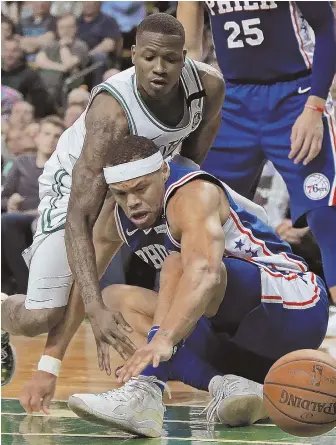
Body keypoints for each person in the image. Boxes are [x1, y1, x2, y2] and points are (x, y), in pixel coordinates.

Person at [1, 13, 224, 405]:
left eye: (170, 59)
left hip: (143, 178)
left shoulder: (208, 87)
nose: (159, 68)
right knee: (43, 315)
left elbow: (189, 165)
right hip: (76, 187)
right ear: (133, 54)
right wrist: (95, 305)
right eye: (150, 57)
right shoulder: (112, 111)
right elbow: (79, 218)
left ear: (184, 57)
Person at [67, 135, 329, 437]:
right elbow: (80, 282)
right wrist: (50, 365)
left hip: (294, 306)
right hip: (233, 338)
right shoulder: (115, 219)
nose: (133, 202)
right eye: (122, 194)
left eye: (141, 188)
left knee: (178, 265)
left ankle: (146, 390)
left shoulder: (192, 193)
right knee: (112, 302)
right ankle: (229, 384)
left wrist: (164, 337)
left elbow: (204, 271)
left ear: (164, 172)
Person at [176, 2, 336, 310]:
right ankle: (193, 329)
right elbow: (190, 49)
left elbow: (327, 27)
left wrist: (315, 107)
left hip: (296, 96)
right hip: (232, 99)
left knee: (326, 217)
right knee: (200, 208)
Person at [1, 116, 65, 296]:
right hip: (16, 217)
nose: (51, 139)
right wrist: (10, 201)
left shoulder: (63, 169)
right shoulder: (21, 163)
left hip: (45, 217)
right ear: (36, 137)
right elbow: (3, 199)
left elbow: (63, 202)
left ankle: (25, 287)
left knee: (7, 222)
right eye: (47, 134)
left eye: (57, 136)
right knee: (6, 222)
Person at [36, 14, 89, 103]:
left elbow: (68, 65)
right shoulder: (51, 44)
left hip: (68, 85)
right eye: (62, 28)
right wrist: (60, 67)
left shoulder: (80, 46)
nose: (65, 31)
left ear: (75, 28)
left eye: (69, 27)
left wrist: (63, 47)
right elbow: (39, 61)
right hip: (45, 83)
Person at [1, 38, 56, 118]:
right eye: (6, 50)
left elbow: (40, 104)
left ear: (21, 53)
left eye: (14, 51)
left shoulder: (30, 76)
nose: (9, 55)